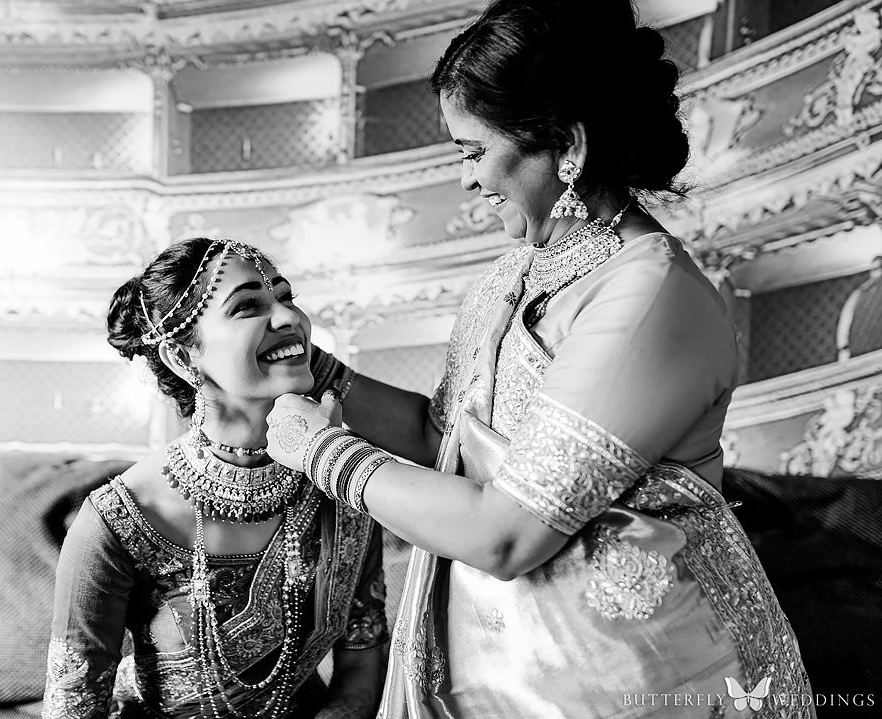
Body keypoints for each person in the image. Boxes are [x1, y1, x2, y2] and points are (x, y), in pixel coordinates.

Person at [262, 1, 814, 717]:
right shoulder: (515, 272)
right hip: (508, 678)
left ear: (566, 145)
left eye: (473, 151)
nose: (466, 180)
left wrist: (322, 451)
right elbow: (446, 441)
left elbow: (506, 532)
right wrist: (314, 371)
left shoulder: (649, 297)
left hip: (645, 686)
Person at [42, 238, 388, 719]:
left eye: (287, 297)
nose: (291, 319)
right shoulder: (120, 519)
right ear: (184, 358)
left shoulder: (342, 485)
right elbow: (73, 707)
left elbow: (363, 655)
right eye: (248, 306)